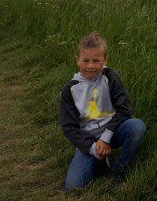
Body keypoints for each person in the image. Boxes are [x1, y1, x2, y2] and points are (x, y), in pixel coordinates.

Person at [60, 32, 146, 191]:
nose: (90, 66)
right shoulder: (69, 89)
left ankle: (119, 170)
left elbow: (125, 109)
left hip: (113, 131)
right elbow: (69, 128)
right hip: (89, 138)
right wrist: (93, 147)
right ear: (77, 60)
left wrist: (106, 138)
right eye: (85, 60)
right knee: (73, 188)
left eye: (96, 60)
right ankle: (98, 157)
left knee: (137, 127)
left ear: (105, 60)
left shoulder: (110, 77)